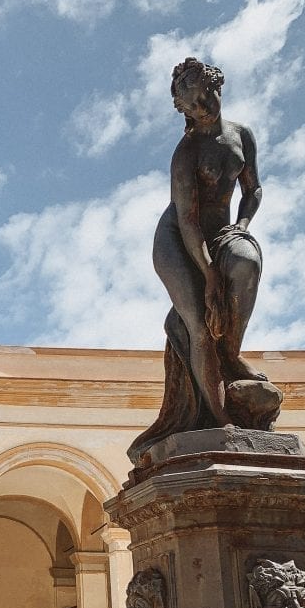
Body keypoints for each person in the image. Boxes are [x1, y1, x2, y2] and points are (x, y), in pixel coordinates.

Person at [129, 57, 270, 465]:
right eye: (190, 105)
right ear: (184, 110)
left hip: (222, 231)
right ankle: (222, 417)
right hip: (178, 241)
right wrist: (209, 275)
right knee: (199, 326)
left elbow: (253, 188)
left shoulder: (241, 134)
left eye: (202, 97)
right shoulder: (186, 151)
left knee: (247, 263)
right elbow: (188, 220)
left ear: (215, 86)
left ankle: (233, 351)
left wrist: (242, 225)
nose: (200, 107)